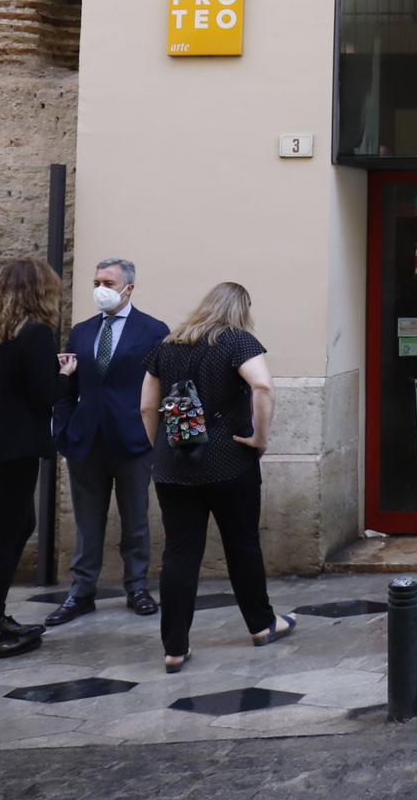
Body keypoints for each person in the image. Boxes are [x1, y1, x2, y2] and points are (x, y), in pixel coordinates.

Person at [140, 282, 295, 672]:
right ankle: (261, 625)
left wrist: (163, 448)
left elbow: (146, 406)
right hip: (230, 462)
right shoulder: (237, 341)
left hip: (175, 469)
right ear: (241, 309)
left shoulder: (167, 346)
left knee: (179, 553)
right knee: (242, 545)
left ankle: (174, 648)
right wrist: (259, 438)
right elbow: (262, 385)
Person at [47, 257, 169, 627]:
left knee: (135, 518)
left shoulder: (152, 330)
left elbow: (164, 383)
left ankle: (137, 587)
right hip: (86, 439)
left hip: (133, 438)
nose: (100, 289)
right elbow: (69, 384)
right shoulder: (82, 332)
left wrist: (155, 433)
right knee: (87, 520)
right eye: (96, 281)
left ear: (128, 288)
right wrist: (64, 427)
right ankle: (81, 591)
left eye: (109, 283)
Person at [0, 259, 65, 662]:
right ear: (40, 291)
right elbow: (46, 394)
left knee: (18, 526)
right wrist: (67, 377)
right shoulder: (35, 334)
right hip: (11, 450)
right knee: (5, 537)